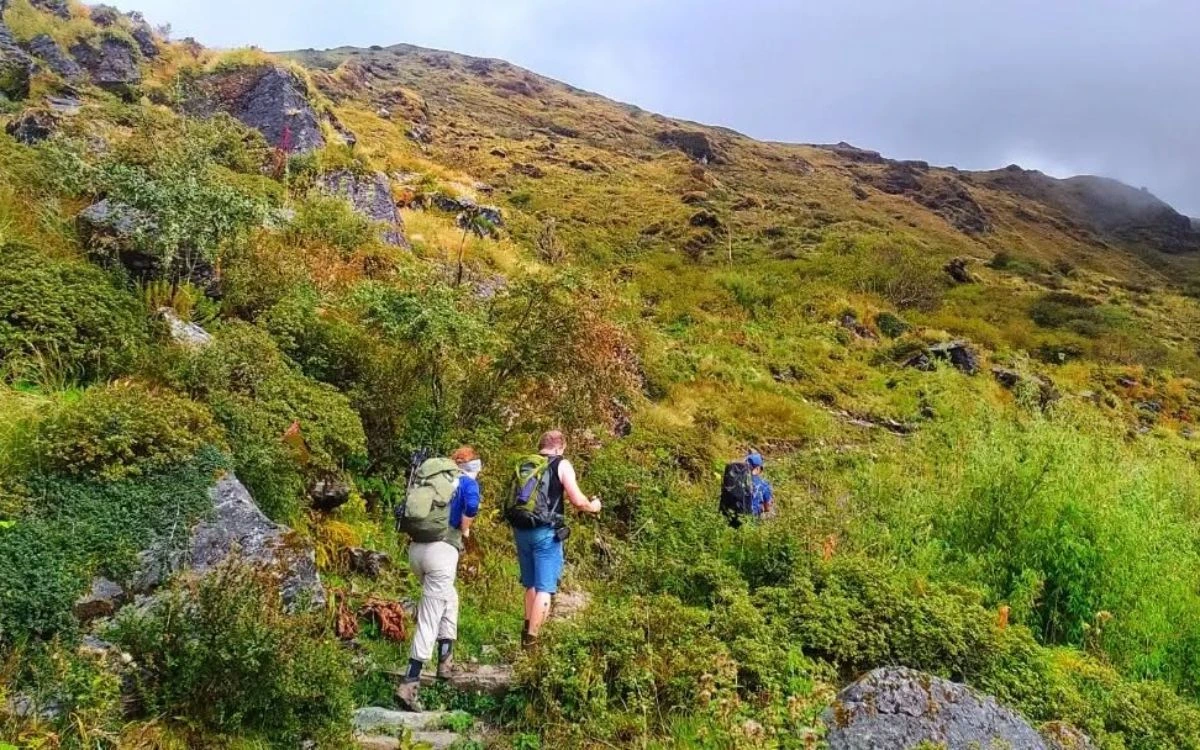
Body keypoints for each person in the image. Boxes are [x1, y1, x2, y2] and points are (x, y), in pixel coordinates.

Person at [395, 446, 482, 711]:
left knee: (449, 598)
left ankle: (446, 660)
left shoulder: (433, 480)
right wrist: (465, 529)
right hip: (442, 553)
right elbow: (473, 506)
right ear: (472, 465)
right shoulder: (467, 482)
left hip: (416, 551)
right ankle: (410, 683)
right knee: (429, 616)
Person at [513, 430, 601, 648]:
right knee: (545, 588)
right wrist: (593, 506)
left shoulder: (528, 463)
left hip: (521, 529)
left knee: (530, 585)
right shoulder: (561, 464)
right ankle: (531, 644)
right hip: (545, 532)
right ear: (560, 447)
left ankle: (526, 631)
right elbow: (577, 500)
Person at [746, 451, 774, 518]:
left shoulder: (738, 481)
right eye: (761, 468)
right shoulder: (764, 485)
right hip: (751, 521)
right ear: (758, 468)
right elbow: (767, 508)